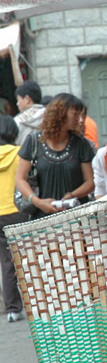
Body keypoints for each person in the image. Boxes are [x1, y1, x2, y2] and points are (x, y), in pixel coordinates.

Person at [15, 93, 95, 220]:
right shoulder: (34, 142)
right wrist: (37, 202)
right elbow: (20, 179)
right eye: (75, 114)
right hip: (42, 219)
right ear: (60, 113)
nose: (79, 119)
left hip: (77, 218)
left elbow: (90, 182)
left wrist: (72, 195)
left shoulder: (81, 144)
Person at [0, 116, 28, 323]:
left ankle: (12, 309)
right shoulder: (20, 154)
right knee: (26, 258)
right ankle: (36, 303)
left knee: (6, 261)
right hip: (18, 211)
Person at [14, 80, 45, 145]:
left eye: (18, 100)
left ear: (27, 99)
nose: (17, 104)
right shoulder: (49, 116)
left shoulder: (18, 121)